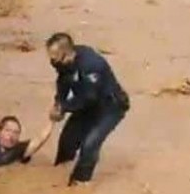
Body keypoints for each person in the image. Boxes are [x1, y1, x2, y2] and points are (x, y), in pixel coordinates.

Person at [46, 32, 130, 186]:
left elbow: (87, 98)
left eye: (54, 56)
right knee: (67, 139)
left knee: (90, 144)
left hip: (109, 106)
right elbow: (63, 80)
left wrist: (64, 108)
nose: (51, 60)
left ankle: (80, 183)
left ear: (66, 54)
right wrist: (59, 102)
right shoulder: (62, 62)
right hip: (86, 102)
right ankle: (58, 175)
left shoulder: (92, 66)